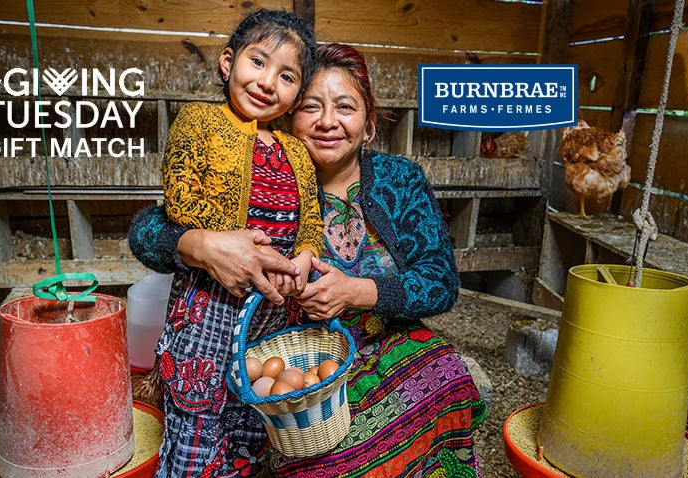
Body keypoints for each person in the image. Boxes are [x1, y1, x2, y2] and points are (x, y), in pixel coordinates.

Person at [130, 43, 487, 477]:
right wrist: (203, 246)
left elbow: (441, 281)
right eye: (311, 107)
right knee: (325, 456)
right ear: (287, 116)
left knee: (449, 378)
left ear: (369, 124)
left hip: (386, 341)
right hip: (302, 361)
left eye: (345, 107)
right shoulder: (267, 177)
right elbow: (146, 231)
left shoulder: (400, 179)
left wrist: (354, 291)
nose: (328, 122)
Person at [148, 9, 321, 477]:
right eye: (257, 61)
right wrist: (235, 247)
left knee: (252, 418)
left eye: (286, 76)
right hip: (209, 302)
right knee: (198, 417)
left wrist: (306, 254)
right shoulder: (199, 123)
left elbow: (311, 219)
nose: (267, 82)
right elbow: (181, 199)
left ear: (295, 96)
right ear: (228, 63)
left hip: (274, 309)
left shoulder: (296, 152)